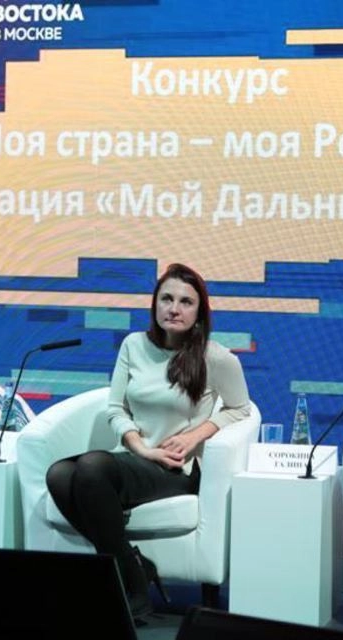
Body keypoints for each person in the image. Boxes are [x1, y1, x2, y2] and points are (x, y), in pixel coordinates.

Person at [45, 263, 251, 620]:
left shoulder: (216, 357)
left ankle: (129, 585)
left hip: (176, 467)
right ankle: (133, 568)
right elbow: (115, 408)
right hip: (137, 457)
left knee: (90, 468)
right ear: (155, 304)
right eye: (166, 299)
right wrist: (140, 447)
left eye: (186, 302)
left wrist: (194, 436)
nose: (174, 308)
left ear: (199, 312)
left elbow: (239, 409)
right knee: (59, 475)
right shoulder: (133, 345)